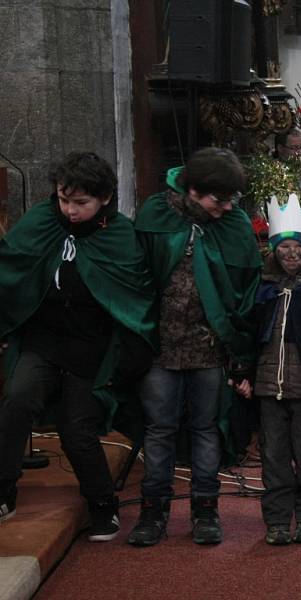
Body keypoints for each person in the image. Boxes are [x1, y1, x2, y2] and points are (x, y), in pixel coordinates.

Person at [0, 152, 156, 539]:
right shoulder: (41, 220)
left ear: (103, 198)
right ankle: (3, 491)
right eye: (63, 198)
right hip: (43, 341)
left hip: (91, 349)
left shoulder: (118, 233)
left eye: (81, 202)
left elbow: (134, 294)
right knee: (16, 402)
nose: (69, 209)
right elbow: (12, 268)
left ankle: (103, 504)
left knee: (77, 428)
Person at [128, 147, 262, 547]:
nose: (225, 208)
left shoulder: (233, 222)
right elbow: (136, 276)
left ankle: (206, 509)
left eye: (231, 200)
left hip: (209, 348)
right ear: (191, 189)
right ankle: (154, 513)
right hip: (162, 347)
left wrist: (238, 350)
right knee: (160, 430)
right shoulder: (157, 213)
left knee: (206, 430)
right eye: (217, 199)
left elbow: (245, 286)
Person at [251, 194, 301, 546]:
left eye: (299, 249)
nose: (292, 256)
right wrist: (243, 373)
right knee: (273, 457)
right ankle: (278, 519)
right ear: (274, 249)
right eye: (284, 249)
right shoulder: (264, 286)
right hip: (269, 387)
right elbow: (251, 333)